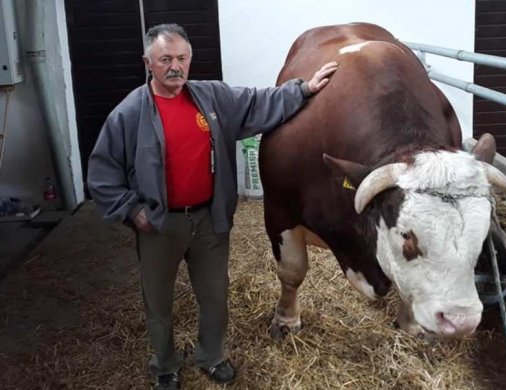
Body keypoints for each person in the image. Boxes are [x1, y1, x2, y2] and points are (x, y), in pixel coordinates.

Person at [87, 23, 337, 390]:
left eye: (182, 58)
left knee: (215, 296)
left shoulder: (211, 98)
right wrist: (132, 210)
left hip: (208, 220)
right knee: (158, 302)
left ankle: (211, 356)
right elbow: (102, 174)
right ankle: (165, 365)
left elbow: (258, 101)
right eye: (165, 59)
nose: (176, 66)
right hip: (159, 225)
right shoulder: (128, 114)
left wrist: (303, 89)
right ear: (147, 62)